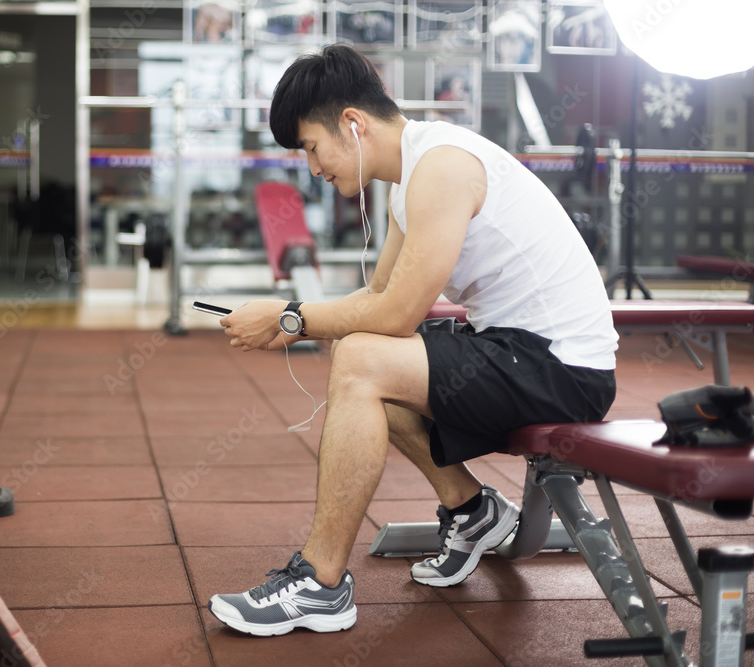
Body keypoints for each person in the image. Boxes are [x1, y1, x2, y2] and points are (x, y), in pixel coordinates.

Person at [208, 44, 618, 637]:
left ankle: (322, 584)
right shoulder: (411, 176)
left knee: (361, 357)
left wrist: (291, 316)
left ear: (352, 124)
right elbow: (373, 303)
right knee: (354, 346)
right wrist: (292, 319)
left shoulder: (442, 167)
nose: (314, 167)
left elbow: (396, 314)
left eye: (312, 148)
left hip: (559, 370)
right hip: (517, 351)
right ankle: (472, 510)